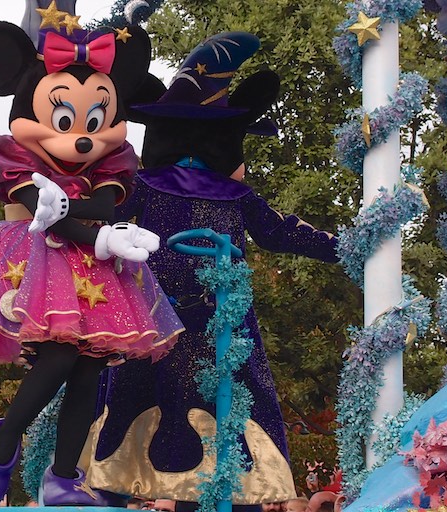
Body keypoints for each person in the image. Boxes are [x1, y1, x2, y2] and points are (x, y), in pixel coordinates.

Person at [0, 8, 182, 508]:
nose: (81, 135)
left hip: (96, 268)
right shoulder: (12, 154)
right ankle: (0, 443)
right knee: (58, 355)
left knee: (89, 368)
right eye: (65, 118)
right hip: (36, 261)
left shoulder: (113, 160)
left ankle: (63, 476)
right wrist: (90, 229)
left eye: (95, 120)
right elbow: (45, 217)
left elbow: (101, 207)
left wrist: (84, 221)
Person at [82, 31, 338, 511]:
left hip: (174, 324)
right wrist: (347, 249)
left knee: (169, 408)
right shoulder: (224, 195)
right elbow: (284, 232)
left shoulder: (143, 187)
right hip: (171, 325)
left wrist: (57, 214)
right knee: (216, 411)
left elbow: (94, 218)